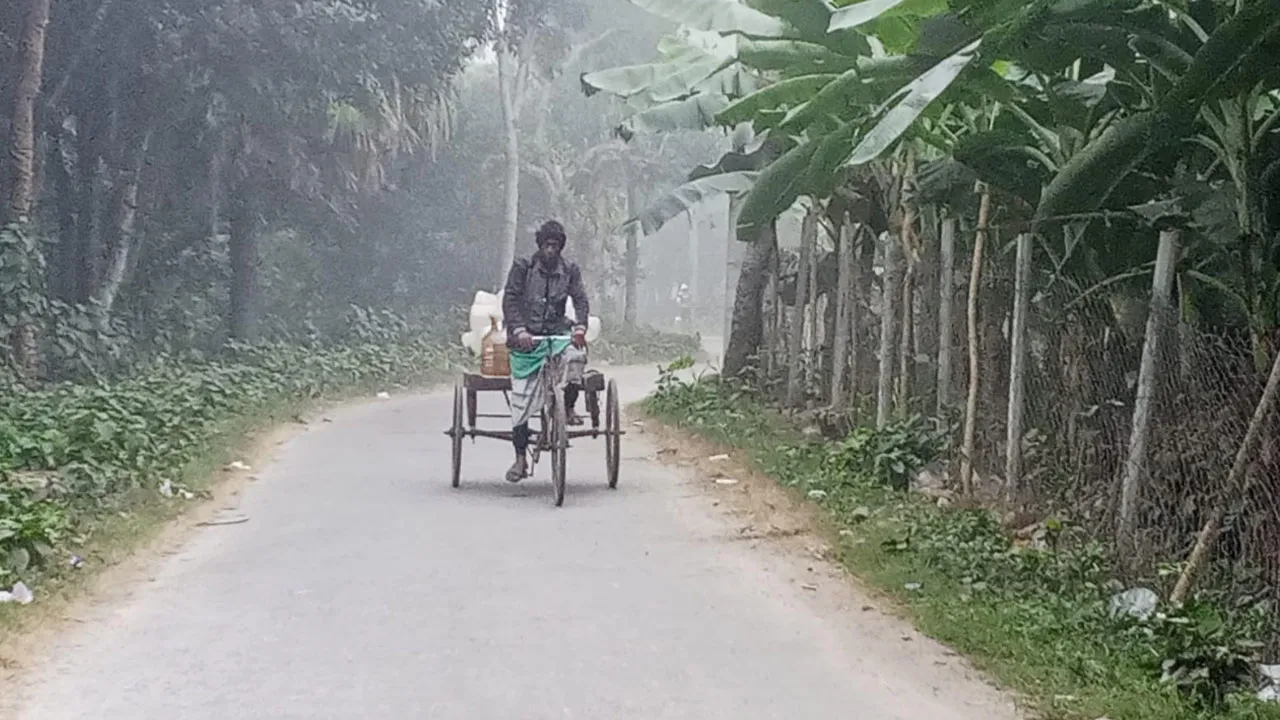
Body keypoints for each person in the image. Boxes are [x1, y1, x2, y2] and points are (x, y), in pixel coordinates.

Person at [501, 220, 590, 483]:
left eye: (555, 245)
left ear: (561, 247)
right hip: (526, 341)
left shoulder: (570, 270)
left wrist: (580, 328)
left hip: (556, 336)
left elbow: (581, 299)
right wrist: (519, 331)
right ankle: (520, 459)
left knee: (576, 358)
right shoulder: (522, 268)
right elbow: (510, 300)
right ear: (539, 245)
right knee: (521, 401)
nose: (550, 250)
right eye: (546, 245)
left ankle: (569, 407)